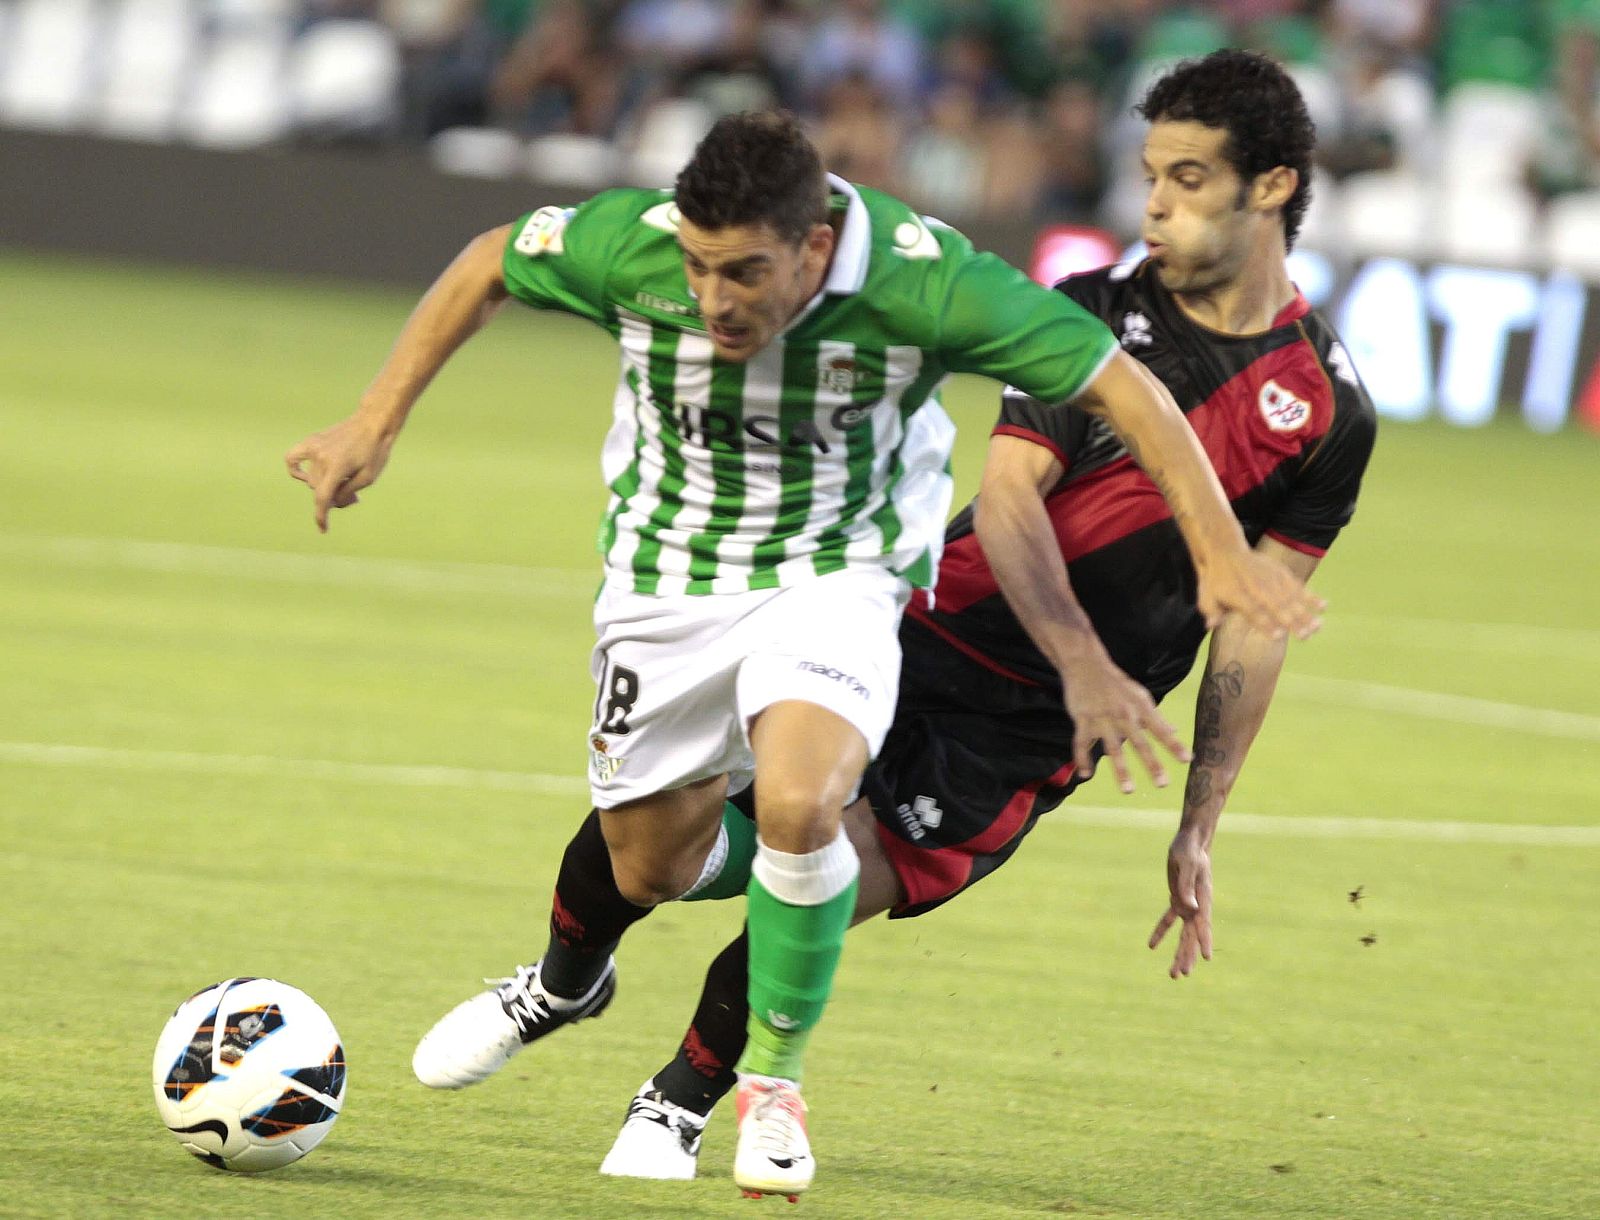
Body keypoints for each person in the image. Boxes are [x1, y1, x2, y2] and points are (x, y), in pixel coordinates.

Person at [283, 109, 1323, 1199]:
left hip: (838, 571)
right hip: (666, 578)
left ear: (816, 246)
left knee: (800, 802)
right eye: (696, 266)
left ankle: (767, 1086)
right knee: (650, 862)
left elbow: (1125, 387)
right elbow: (489, 260)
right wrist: (374, 421)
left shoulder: (924, 281)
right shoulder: (629, 244)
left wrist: (1216, 556)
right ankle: (566, 982)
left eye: (742, 273)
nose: (712, 299)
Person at [592, 51, 1378, 1182]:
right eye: (1149, 173)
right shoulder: (1097, 315)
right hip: (924, 628)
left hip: (1022, 739)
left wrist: (1199, 819)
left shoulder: (1329, 411)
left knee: (835, 870)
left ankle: (678, 1098)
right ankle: (573, 961)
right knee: (712, 835)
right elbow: (1010, 496)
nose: (1153, 202)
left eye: (1189, 178)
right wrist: (1077, 662)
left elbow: (1251, 629)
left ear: (1272, 187)